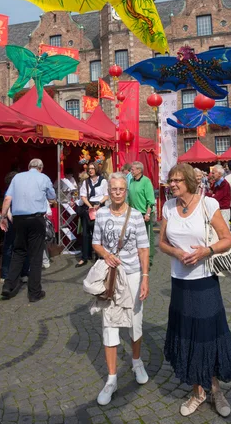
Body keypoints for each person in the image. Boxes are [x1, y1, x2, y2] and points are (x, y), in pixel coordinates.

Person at [159, 163, 231, 418]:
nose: (172, 184)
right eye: (170, 180)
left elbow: (227, 239)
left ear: (190, 182)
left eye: (177, 180)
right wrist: (176, 252)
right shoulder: (168, 207)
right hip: (179, 281)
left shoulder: (208, 204)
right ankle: (198, 392)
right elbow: (161, 242)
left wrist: (207, 250)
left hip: (204, 280)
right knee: (187, 335)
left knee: (207, 335)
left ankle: (215, 390)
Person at [92, 172, 150, 406]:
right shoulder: (102, 213)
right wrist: (106, 255)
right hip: (111, 277)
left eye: (121, 189)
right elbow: (96, 242)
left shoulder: (135, 216)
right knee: (109, 326)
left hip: (134, 274)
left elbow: (143, 249)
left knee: (135, 321)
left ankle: (137, 362)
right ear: (109, 191)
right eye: (113, 189)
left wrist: (145, 277)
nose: (117, 193)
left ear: (126, 191)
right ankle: (112, 379)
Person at [0, 159, 56, 302]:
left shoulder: (17, 177)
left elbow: (7, 199)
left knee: (18, 251)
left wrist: (3, 216)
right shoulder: (44, 178)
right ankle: (34, 292)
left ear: (28, 166)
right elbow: (52, 197)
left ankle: (8, 286)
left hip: (19, 219)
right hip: (36, 219)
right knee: (36, 255)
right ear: (41, 168)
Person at [76, 162, 109, 268]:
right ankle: (85, 256)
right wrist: (90, 206)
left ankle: (99, 255)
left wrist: (99, 203)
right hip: (88, 208)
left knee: (98, 233)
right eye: (89, 169)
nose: (90, 170)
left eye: (92, 168)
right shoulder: (86, 182)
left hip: (99, 207)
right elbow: (83, 196)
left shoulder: (103, 181)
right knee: (85, 233)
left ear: (96, 169)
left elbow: (106, 195)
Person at [0, 171, 29, 283]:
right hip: (21, 221)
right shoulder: (22, 191)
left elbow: (6, 206)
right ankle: (24, 273)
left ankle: (5, 274)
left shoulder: (10, 191)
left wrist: (10, 219)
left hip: (13, 222)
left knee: (9, 247)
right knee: (23, 247)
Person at [128, 161, 156, 267]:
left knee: (147, 237)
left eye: (133, 169)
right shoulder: (131, 181)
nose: (131, 171)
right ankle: (138, 257)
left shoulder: (146, 181)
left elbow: (151, 201)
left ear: (139, 170)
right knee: (135, 237)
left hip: (144, 214)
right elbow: (129, 198)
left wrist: (148, 214)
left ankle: (148, 259)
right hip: (134, 214)